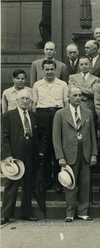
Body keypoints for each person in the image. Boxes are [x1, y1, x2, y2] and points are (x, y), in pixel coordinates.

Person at [1, 89, 47, 225]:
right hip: (15, 154)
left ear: (31, 101)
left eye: (27, 99)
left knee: (28, 183)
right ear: (17, 101)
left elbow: (43, 133)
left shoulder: (34, 116)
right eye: (22, 99)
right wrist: (7, 155)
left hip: (31, 153)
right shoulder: (8, 116)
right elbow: (4, 137)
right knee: (12, 183)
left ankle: (26, 213)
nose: (25, 101)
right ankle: (6, 215)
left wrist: (41, 151)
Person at [53, 87, 98, 222]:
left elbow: (92, 135)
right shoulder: (60, 114)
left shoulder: (88, 113)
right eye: (74, 95)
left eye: (79, 95)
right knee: (70, 183)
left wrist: (94, 154)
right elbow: (56, 137)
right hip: (68, 153)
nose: (78, 98)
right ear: (69, 97)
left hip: (85, 151)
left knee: (85, 182)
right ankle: (70, 213)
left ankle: (83, 211)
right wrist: (60, 156)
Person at [32, 60, 69, 191]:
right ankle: (47, 181)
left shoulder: (62, 84)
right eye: (46, 69)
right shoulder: (37, 85)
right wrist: (35, 121)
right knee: (45, 148)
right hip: (42, 116)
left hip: (57, 114)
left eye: (51, 69)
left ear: (55, 69)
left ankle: (59, 182)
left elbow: (66, 103)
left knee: (58, 148)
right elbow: (34, 104)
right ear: (42, 70)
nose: (49, 72)